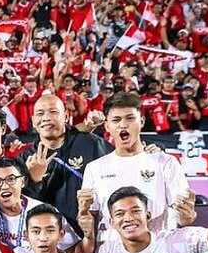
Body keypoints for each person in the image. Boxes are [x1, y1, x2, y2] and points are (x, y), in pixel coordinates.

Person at [80, 91, 192, 244]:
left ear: (142, 121)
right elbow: (90, 219)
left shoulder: (166, 163)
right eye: (116, 120)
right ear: (107, 126)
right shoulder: (94, 169)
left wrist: (187, 216)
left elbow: (183, 217)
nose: (123, 124)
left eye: (130, 118)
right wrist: (83, 212)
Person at [19, 94, 111, 229]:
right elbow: (22, 209)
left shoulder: (90, 143)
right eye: (40, 113)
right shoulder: (24, 158)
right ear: (33, 121)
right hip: (51, 240)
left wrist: (143, 150)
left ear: (66, 116)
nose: (46, 118)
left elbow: (120, 163)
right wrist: (34, 181)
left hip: (94, 232)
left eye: (53, 112)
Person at [0, 158, 91, 253]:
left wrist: (89, 235)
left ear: (23, 181)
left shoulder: (45, 213)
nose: (4, 186)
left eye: (11, 179)